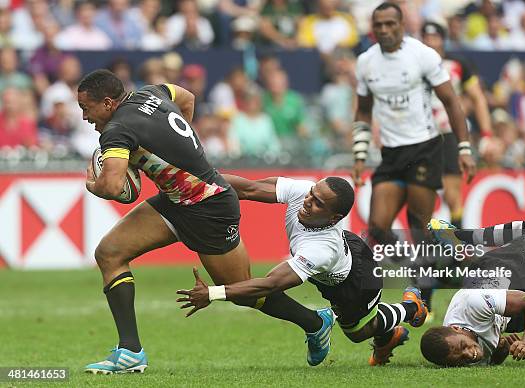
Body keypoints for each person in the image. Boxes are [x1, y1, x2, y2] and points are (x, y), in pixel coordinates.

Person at [77, 69, 333, 374]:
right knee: (110, 253)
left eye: (86, 109)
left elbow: (112, 187)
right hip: (176, 200)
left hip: (209, 209)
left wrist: (93, 183)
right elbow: (187, 97)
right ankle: (130, 351)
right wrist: (181, 146)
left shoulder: (117, 131)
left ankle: (315, 322)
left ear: (107, 103)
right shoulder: (152, 93)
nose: (84, 117)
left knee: (240, 290)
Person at [176, 174, 429, 366]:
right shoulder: (304, 193)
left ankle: (410, 307)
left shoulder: (320, 249)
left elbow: (271, 284)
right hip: (343, 256)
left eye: (318, 203)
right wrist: (198, 175)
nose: (307, 202)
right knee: (361, 324)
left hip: (355, 283)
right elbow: (248, 188)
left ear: (333, 218)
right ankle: (386, 339)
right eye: (311, 194)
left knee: (357, 332)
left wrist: (213, 293)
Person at [351, 2, 476, 311]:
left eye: (389, 24)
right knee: (378, 227)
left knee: (419, 228)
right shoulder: (366, 62)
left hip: (425, 148)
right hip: (391, 153)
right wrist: (359, 154)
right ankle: (419, 271)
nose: (383, 30)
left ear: (401, 25)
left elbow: (451, 102)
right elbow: (364, 110)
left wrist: (463, 148)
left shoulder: (422, 55)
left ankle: (425, 298)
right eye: (378, 25)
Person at [420, 219, 525, 366]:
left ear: (455, 328)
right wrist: (503, 349)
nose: (469, 354)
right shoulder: (461, 358)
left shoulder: (471, 304)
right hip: (507, 313)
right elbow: (491, 358)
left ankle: (464, 236)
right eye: (461, 358)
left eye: (463, 346)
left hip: (502, 269)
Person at [421, 20, 492, 228]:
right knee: (421, 191)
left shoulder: (459, 64)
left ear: (443, 40)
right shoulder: (413, 65)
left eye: (435, 37)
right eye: (426, 37)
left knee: (453, 192)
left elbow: (477, 98)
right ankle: (425, 245)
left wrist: (486, 133)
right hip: (421, 135)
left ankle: (456, 247)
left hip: (450, 132)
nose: (430, 42)